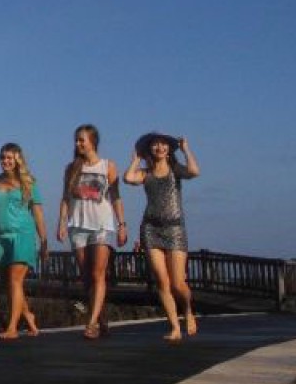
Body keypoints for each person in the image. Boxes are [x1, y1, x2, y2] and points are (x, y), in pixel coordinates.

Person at [124, 132, 201, 341]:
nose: (159, 147)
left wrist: (186, 150)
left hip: (175, 229)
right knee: (162, 281)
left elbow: (194, 171)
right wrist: (136, 160)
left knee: (177, 283)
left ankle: (187, 310)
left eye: (163, 144)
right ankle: (174, 326)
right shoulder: (146, 172)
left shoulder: (175, 170)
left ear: (169, 149)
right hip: (151, 229)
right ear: (150, 148)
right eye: (155, 145)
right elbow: (128, 178)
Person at [55, 124, 126, 340]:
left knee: (98, 274)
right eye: (76, 140)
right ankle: (101, 317)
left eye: (81, 140)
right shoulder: (71, 168)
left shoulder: (108, 166)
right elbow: (66, 198)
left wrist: (122, 224)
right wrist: (61, 222)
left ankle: (92, 322)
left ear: (92, 142)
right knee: (86, 278)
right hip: (78, 226)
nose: (77, 144)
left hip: (102, 224)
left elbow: (115, 197)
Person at [0, 142, 47, 339]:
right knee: (7, 284)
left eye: (9, 157)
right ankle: (28, 315)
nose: (5, 161)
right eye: (2, 157)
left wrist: (44, 240)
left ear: (17, 159)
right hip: (0, 237)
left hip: (22, 234)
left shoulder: (28, 182)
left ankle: (12, 327)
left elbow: (37, 214)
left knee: (15, 280)